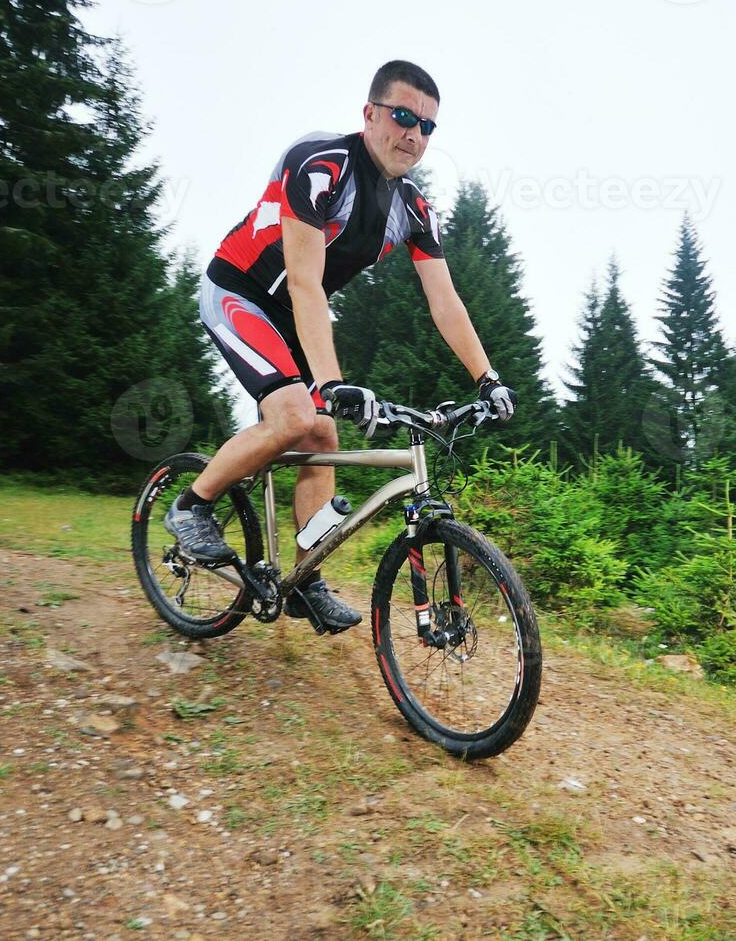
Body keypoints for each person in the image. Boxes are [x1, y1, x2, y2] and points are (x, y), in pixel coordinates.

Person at [165, 60, 516, 633]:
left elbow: (445, 302)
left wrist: (488, 379)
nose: (414, 134)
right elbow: (304, 282)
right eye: (403, 116)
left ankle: (306, 582)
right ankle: (193, 504)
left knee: (322, 431)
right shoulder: (321, 165)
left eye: (428, 126)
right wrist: (328, 383)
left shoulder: (414, 210)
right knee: (297, 415)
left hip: (293, 313)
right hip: (241, 292)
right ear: (370, 114)